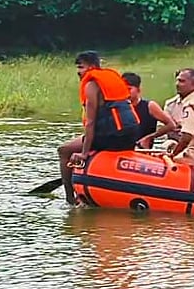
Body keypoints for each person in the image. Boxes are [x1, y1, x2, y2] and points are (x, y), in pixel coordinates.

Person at [58, 51, 140, 205]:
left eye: (81, 67)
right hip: (130, 134)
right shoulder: (112, 79)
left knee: (63, 150)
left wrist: (84, 153)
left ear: (92, 66)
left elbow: (90, 122)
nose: (79, 72)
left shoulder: (91, 84)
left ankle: (70, 199)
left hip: (112, 136)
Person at [121, 72, 177, 148]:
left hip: (143, 150)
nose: (126, 92)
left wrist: (149, 138)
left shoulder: (150, 106)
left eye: (129, 89)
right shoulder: (120, 107)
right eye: (123, 89)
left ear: (138, 89)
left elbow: (171, 125)